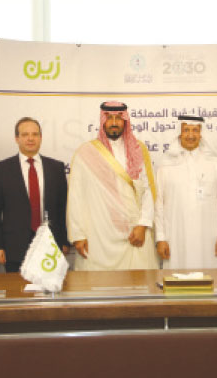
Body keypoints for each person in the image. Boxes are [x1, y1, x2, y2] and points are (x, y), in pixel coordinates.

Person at [67, 101, 158, 270]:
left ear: (125, 121)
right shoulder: (85, 153)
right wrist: (78, 234)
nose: (114, 123)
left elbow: (148, 191)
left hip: (134, 233)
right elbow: (75, 197)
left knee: (137, 288)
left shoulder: (139, 150)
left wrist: (143, 224)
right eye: (109, 118)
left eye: (118, 118)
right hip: (99, 235)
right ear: (102, 121)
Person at [0, 117, 69, 273]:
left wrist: (64, 241)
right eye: (25, 135)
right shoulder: (2, 169)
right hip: (14, 248)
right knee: (17, 293)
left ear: (41, 138)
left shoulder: (56, 168)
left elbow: (63, 208)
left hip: (50, 246)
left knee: (49, 292)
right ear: (17, 138)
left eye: (35, 134)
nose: (30, 138)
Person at [155, 115, 217, 269]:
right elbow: (159, 205)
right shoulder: (165, 166)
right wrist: (160, 238)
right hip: (175, 238)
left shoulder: (215, 164)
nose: (191, 135)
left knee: (211, 282)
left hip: (209, 239)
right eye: (186, 130)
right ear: (179, 133)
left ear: (201, 134)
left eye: (195, 130)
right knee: (178, 281)